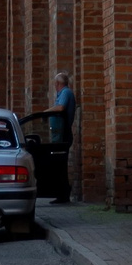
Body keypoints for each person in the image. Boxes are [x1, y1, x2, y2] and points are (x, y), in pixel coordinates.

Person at [49, 71, 78, 203]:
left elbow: (60, 108)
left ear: (58, 83)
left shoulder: (66, 92)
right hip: (60, 134)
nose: (55, 85)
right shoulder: (63, 93)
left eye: (55, 83)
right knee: (59, 164)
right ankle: (61, 193)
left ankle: (63, 194)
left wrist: (45, 112)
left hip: (63, 134)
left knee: (60, 164)